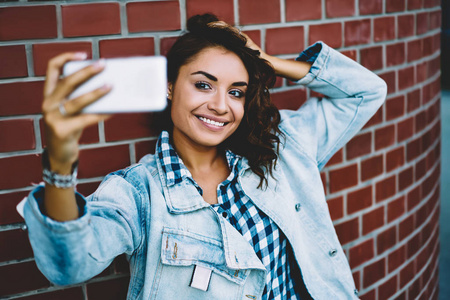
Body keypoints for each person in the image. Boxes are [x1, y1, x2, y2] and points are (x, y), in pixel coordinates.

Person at [22, 14, 387, 299]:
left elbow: (367, 92)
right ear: (169, 86)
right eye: (203, 84)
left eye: (237, 92)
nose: (220, 106)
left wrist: (265, 60)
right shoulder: (139, 192)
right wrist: (59, 162)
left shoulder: (280, 150)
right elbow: (68, 265)